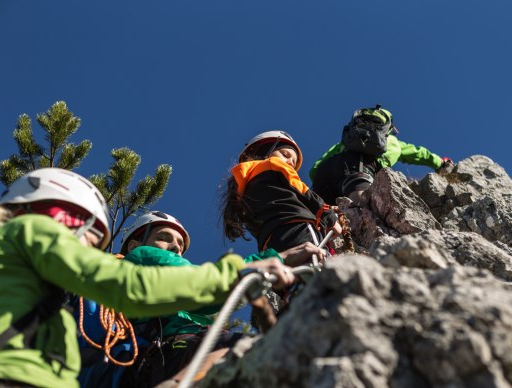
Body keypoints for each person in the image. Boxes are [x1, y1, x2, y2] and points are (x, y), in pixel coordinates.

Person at [0, 168, 296, 388]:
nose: (86, 247)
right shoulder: (30, 230)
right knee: (241, 349)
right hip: (15, 378)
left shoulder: (42, 295)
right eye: (89, 233)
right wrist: (234, 275)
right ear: (63, 215)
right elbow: (128, 287)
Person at [77, 210, 325, 387]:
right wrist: (279, 258)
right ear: (133, 245)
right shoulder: (143, 255)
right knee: (250, 351)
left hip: (151, 364)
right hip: (173, 350)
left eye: (179, 244)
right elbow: (200, 284)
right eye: (164, 237)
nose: (175, 247)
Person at [221, 130, 342, 253]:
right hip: (299, 228)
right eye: (285, 154)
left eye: (294, 163)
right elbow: (301, 190)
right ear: (265, 151)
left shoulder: (243, 189)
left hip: (270, 243)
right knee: (318, 261)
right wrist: (328, 215)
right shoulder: (273, 164)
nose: (290, 163)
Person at [310, 105, 454, 206]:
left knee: (316, 217)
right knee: (362, 209)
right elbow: (418, 154)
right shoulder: (392, 141)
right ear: (388, 128)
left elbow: (315, 169)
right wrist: (440, 163)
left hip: (327, 170)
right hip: (361, 167)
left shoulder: (348, 140)